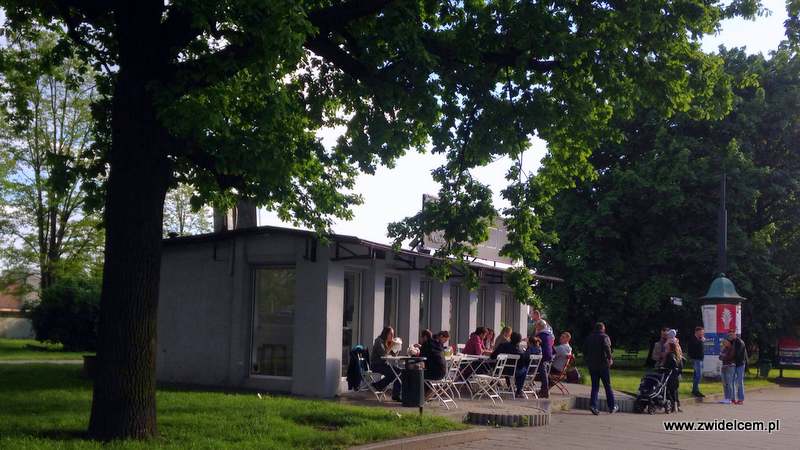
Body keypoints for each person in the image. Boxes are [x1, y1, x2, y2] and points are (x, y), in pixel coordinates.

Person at [583, 322, 618, 415]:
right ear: (602, 328)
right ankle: (612, 406)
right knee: (607, 386)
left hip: (592, 365)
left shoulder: (588, 338)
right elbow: (607, 347)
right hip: (603, 365)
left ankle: (593, 405)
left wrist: (587, 361)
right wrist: (610, 358)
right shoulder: (604, 337)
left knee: (595, 386)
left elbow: (584, 351)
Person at [491, 331, 529, 397]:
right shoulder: (520, 351)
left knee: (511, 368)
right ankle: (519, 390)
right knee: (523, 370)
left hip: (500, 370)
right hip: (513, 372)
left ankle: (512, 387)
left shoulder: (502, 345)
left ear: (510, 338)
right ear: (519, 341)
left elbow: (493, 356)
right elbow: (522, 364)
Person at [370, 327, 399, 392]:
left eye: (393, 334)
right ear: (386, 334)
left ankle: (379, 385)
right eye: (391, 334)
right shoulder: (379, 341)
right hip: (376, 365)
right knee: (394, 373)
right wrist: (391, 346)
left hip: (384, 365)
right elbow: (383, 355)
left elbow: (394, 354)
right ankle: (379, 386)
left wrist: (397, 347)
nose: (392, 336)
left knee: (399, 371)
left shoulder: (387, 342)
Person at [728, 329, 748, 404]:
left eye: (731, 334)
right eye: (729, 335)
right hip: (734, 364)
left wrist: (730, 359)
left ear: (735, 334)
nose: (730, 336)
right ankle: (733, 398)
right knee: (732, 381)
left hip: (740, 364)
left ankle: (741, 399)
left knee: (739, 382)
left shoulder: (740, 342)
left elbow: (737, 354)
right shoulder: (731, 342)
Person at [663, 341, 683, 413]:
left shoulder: (670, 355)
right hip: (676, 375)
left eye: (667, 347)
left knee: (668, 390)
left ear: (670, 348)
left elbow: (667, 365)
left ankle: (672, 405)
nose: (666, 348)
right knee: (675, 391)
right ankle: (676, 405)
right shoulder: (678, 355)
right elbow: (680, 366)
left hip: (670, 375)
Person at [535, 321, 553, 398]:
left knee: (543, 374)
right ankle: (544, 390)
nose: (536, 327)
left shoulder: (541, 335)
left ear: (539, 326)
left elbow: (536, 345)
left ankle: (545, 391)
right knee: (544, 373)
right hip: (549, 355)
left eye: (536, 326)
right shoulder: (548, 334)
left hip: (543, 356)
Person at [688, 326, 706, 397]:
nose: (702, 334)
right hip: (695, 359)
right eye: (701, 332)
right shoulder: (693, 339)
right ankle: (695, 390)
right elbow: (692, 348)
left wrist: (701, 341)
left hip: (700, 359)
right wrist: (700, 341)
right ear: (697, 332)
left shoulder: (699, 339)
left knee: (696, 375)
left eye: (703, 333)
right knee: (699, 375)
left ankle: (695, 390)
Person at [719, 338, 735, 404]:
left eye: (725, 342)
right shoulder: (724, 349)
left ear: (729, 342)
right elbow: (720, 357)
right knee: (724, 383)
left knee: (729, 383)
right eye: (723, 342)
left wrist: (724, 356)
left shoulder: (732, 349)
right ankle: (726, 398)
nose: (724, 343)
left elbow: (730, 357)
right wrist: (723, 355)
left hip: (730, 367)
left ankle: (730, 398)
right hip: (724, 367)